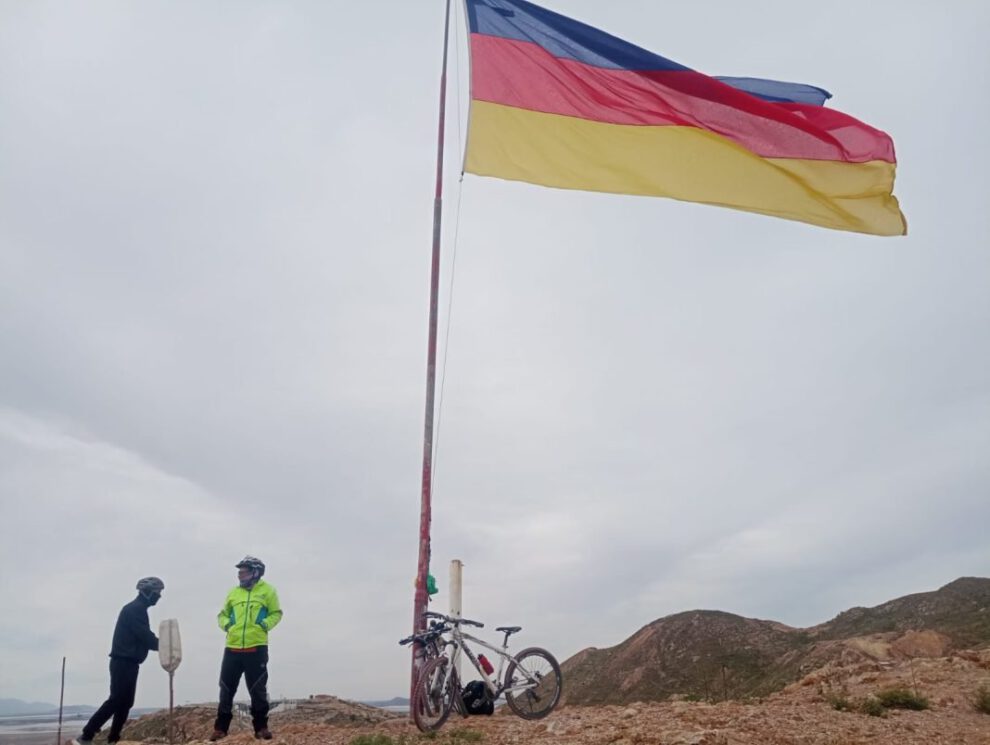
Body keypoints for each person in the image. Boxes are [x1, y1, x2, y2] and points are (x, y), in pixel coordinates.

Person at [71, 577, 164, 745]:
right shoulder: (135, 610)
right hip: (123, 661)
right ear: (147, 592)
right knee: (116, 699)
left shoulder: (138, 609)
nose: (159, 596)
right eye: (157, 593)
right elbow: (145, 637)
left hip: (130, 662)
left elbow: (144, 637)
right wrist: (166, 645)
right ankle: (86, 735)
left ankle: (113, 739)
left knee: (126, 702)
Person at [210, 556, 282, 741]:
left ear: (256, 572)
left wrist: (264, 624)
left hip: (256, 648)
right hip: (232, 648)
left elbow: (276, 613)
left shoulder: (268, 591)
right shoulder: (233, 593)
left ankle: (261, 727)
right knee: (226, 689)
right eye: (239, 570)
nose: (240, 573)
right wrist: (227, 625)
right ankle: (220, 728)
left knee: (257, 690)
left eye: (244, 570)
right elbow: (222, 615)